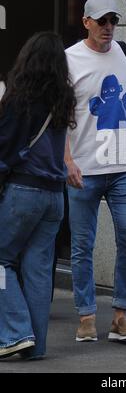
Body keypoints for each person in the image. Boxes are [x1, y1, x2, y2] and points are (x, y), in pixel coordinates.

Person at [65, 0, 126, 343]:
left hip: (125, 165)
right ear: (86, 22)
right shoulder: (68, 59)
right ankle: (85, 315)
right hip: (83, 166)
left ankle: (120, 315)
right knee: (82, 245)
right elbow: (60, 116)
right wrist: (66, 160)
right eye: (102, 21)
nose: (108, 27)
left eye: (113, 20)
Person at [0, 31, 76, 360]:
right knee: (38, 269)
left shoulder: (20, 99)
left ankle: (16, 333)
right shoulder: (64, 98)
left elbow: (5, 147)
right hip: (54, 197)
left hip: (23, 191)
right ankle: (35, 346)